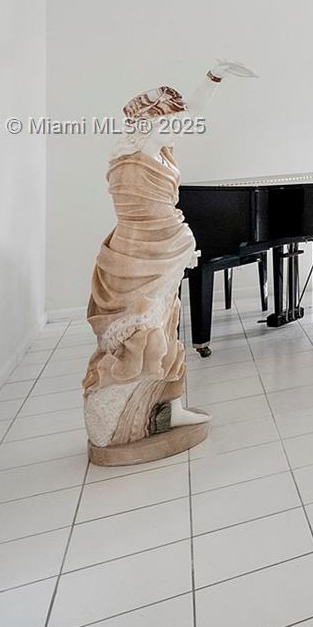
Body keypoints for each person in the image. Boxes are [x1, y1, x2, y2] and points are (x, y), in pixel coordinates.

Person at [80, 59, 253, 463]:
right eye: (169, 121)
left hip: (165, 254)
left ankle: (169, 410)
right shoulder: (131, 162)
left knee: (167, 329)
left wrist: (215, 76)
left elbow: (191, 113)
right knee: (143, 337)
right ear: (146, 125)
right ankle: (121, 422)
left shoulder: (161, 151)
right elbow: (141, 217)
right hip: (139, 256)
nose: (179, 126)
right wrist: (174, 241)